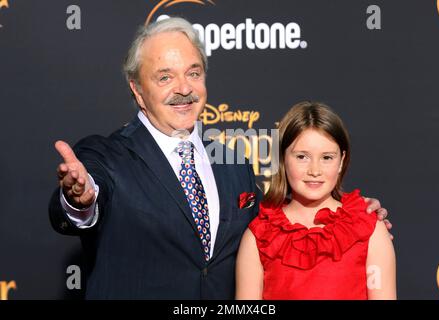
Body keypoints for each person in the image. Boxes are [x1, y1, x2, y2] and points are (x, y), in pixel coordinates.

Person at [48, 18, 390, 299]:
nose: (184, 88)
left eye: (193, 73)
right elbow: (87, 191)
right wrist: (80, 198)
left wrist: (350, 215)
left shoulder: (231, 159)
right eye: (165, 77)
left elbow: (277, 223)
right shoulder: (106, 156)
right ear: (137, 89)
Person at [236, 101, 396, 300]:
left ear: (341, 161)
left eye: (327, 157)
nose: (314, 170)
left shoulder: (369, 228)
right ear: (283, 159)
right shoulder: (260, 235)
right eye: (302, 157)